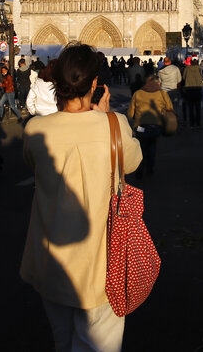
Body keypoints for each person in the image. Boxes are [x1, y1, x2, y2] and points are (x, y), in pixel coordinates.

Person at [20, 43, 143, 352]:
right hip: (103, 266)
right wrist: (107, 118)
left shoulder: (35, 130)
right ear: (94, 84)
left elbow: (32, 164)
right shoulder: (114, 126)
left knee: (63, 341)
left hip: (53, 264)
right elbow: (132, 162)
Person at [126, 74, 174, 179]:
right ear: (158, 83)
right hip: (156, 126)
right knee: (152, 145)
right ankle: (150, 167)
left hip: (140, 126)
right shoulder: (162, 93)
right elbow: (170, 108)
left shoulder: (137, 93)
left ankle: (140, 167)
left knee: (141, 146)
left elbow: (130, 113)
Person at [181, 56, 203, 130]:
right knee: (198, 108)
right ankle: (198, 124)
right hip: (198, 89)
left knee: (191, 108)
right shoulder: (200, 68)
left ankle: (192, 124)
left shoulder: (187, 68)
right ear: (197, 61)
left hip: (189, 90)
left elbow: (183, 78)